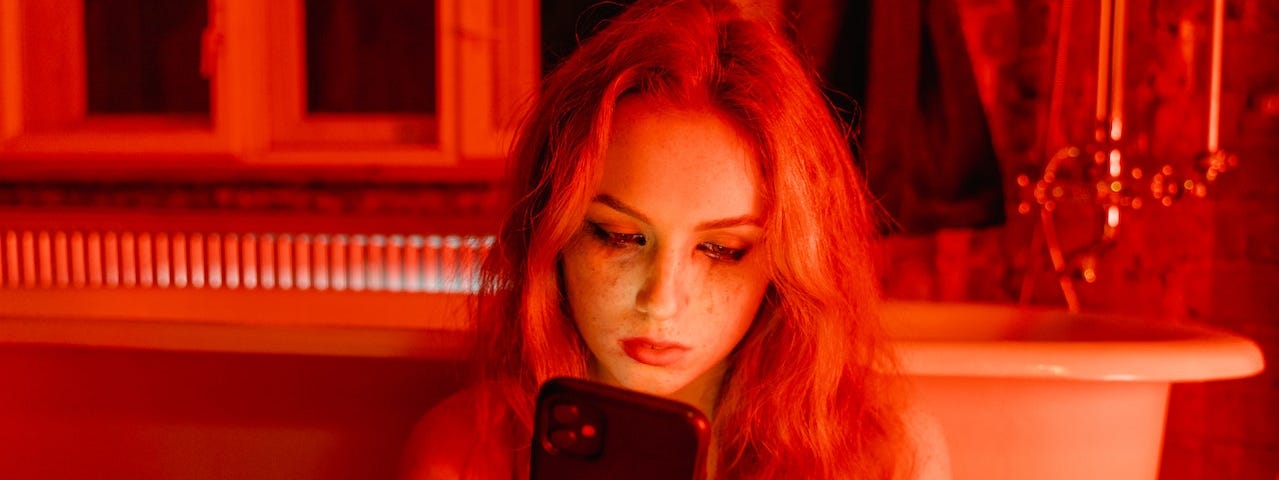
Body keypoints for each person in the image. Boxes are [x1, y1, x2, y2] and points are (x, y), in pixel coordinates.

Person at [402, 0, 950, 478]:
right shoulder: (463, 453)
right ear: (550, 233)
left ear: (787, 262)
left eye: (721, 250)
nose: (661, 303)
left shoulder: (885, 455)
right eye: (618, 236)